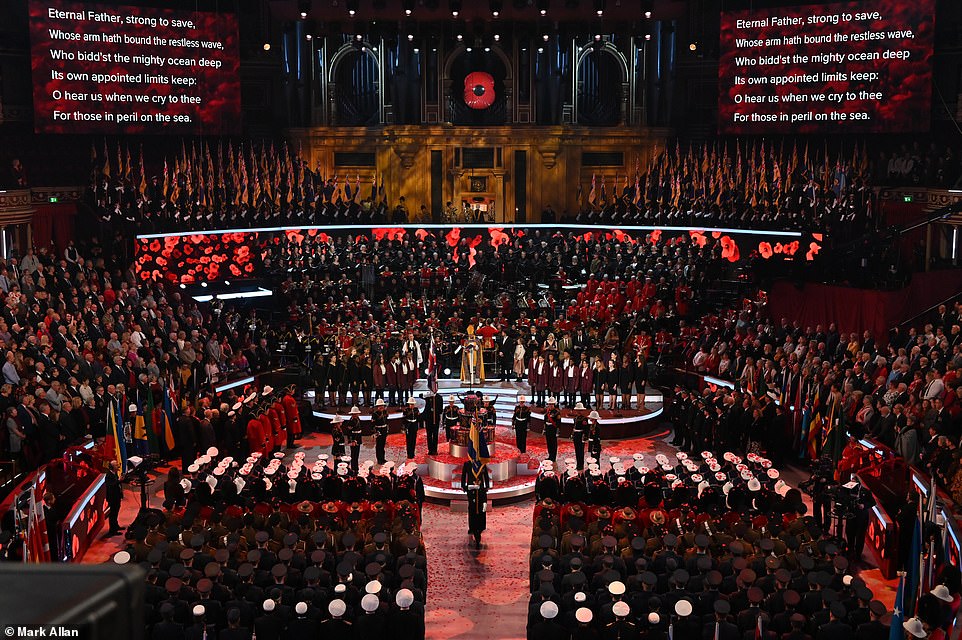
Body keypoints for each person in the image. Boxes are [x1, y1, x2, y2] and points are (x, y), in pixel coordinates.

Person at [461, 454, 490, 549]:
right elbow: (464, 475)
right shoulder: (467, 464)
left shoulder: (482, 464)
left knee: (482, 510)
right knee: (471, 509)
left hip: (481, 491)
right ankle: (472, 527)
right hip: (471, 491)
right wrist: (464, 486)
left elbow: (485, 476)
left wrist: (487, 487)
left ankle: (480, 527)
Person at [104, 459, 124, 536]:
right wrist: (119, 481)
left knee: (116, 512)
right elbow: (111, 485)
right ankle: (112, 530)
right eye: (116, 465)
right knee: (113, 514)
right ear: (112, 467)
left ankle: (116, 526)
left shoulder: (115, 473)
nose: (118, 466)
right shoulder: (108, 475)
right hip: (112, 498)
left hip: (117, 496)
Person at [372, 399, 389, 465]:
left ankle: (383, 458)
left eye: (382, 405)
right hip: (378, 430)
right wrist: (374, 432)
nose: (381, 407)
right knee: (378, 445)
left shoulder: (385, 412)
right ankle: (379, 459)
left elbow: (386, 421)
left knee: (382, 445)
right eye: (379, 406)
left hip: (384, 429)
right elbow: (373, 424)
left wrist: (387, 430)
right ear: (377, 407)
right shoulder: (375, 414)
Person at [572, 403, 587, 470]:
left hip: (581, 436)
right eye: (578, 410)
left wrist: (584, 437)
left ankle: (581, 465)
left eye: (580, 410)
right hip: (576, 435)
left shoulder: (584, 419)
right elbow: (574, 427)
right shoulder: (575, 418)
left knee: (581, 451)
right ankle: (578, 463)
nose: (578, 412)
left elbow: (586, 429)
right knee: (577, 450)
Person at [347, 407, 363, 471]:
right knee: (353, 454)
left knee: (357, 454)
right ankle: (354, 468)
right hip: (354, 439)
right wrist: (351, 441)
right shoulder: (350, 421)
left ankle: (356, 467)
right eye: (354, 414)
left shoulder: (358, 419)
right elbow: (349, 432)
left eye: (356, 414)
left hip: (358, 438)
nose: (356, 415)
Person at [544, 397, 560, 462]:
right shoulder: (548, 411)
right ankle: (550, 456)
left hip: (553, 429)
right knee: (549, 443)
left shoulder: (556, 412)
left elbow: (558, 423)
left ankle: (553, 457)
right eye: (549, 404)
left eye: (552, 404)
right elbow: (545, 420)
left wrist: (557, 431)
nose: (550, 405)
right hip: (548, 428)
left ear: (554, 404)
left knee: (553, 444)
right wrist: (544, 429)